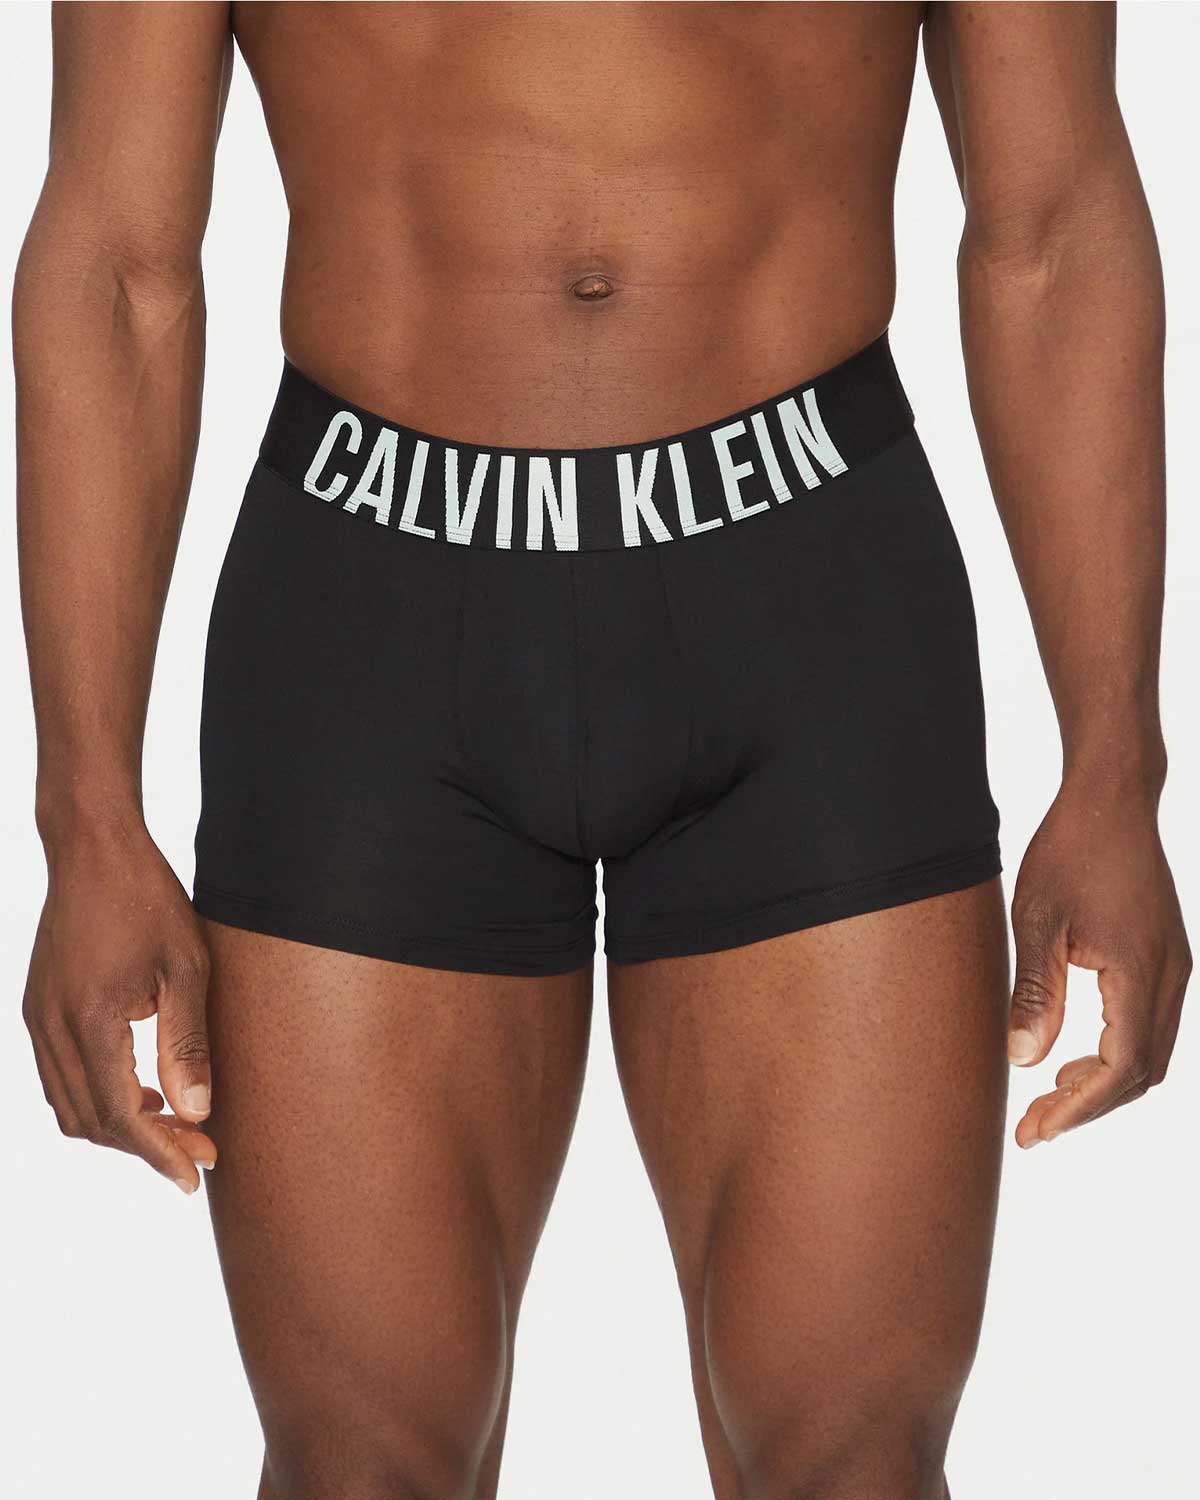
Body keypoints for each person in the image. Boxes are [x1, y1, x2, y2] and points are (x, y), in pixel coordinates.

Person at [14, 4, 1190, 1498]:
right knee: (357, 1471)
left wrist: (1115, 771)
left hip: (808, 599)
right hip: (372, 614)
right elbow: (118, 261)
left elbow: (1053, 225)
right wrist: (86, 818)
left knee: (857, 1467)